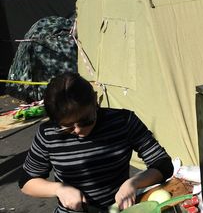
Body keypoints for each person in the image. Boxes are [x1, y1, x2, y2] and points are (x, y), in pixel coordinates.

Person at [19, 72, 173, 213]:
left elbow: (163, 164)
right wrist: (59, 189)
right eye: (68, 127)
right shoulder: (48, 134)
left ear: (95, 100)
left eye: (86, 121)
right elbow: (27, 181)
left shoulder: (124, 122)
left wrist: (133, 183)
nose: (78, 130)